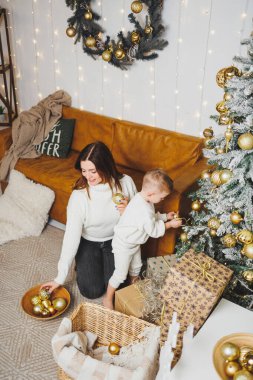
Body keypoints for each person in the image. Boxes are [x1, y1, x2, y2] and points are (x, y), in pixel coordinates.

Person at [41, 141, 137, 299]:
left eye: (93, 171)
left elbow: (138, 221)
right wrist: (60, 277)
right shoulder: (79, 196)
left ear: (105, 166)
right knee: (91, 291)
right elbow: (71, 236)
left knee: (117, 290)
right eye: (84, 170)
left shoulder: (126, 183)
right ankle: (83, 261)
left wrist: (128, 211)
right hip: (88, 241)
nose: (87, 176)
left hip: (116, 240)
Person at [102, 168, 182, 309]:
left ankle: (135, 285)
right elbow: (153, 230)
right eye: (162, 197)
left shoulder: (143, 198)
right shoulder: (143, 209)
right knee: (120, 274)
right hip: (124, 244)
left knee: (137, 266)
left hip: (134, 242)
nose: (162, 200)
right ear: (151, 194)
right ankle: (107, 298)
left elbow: (151, 217)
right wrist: (170, 224)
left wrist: (164, 217)